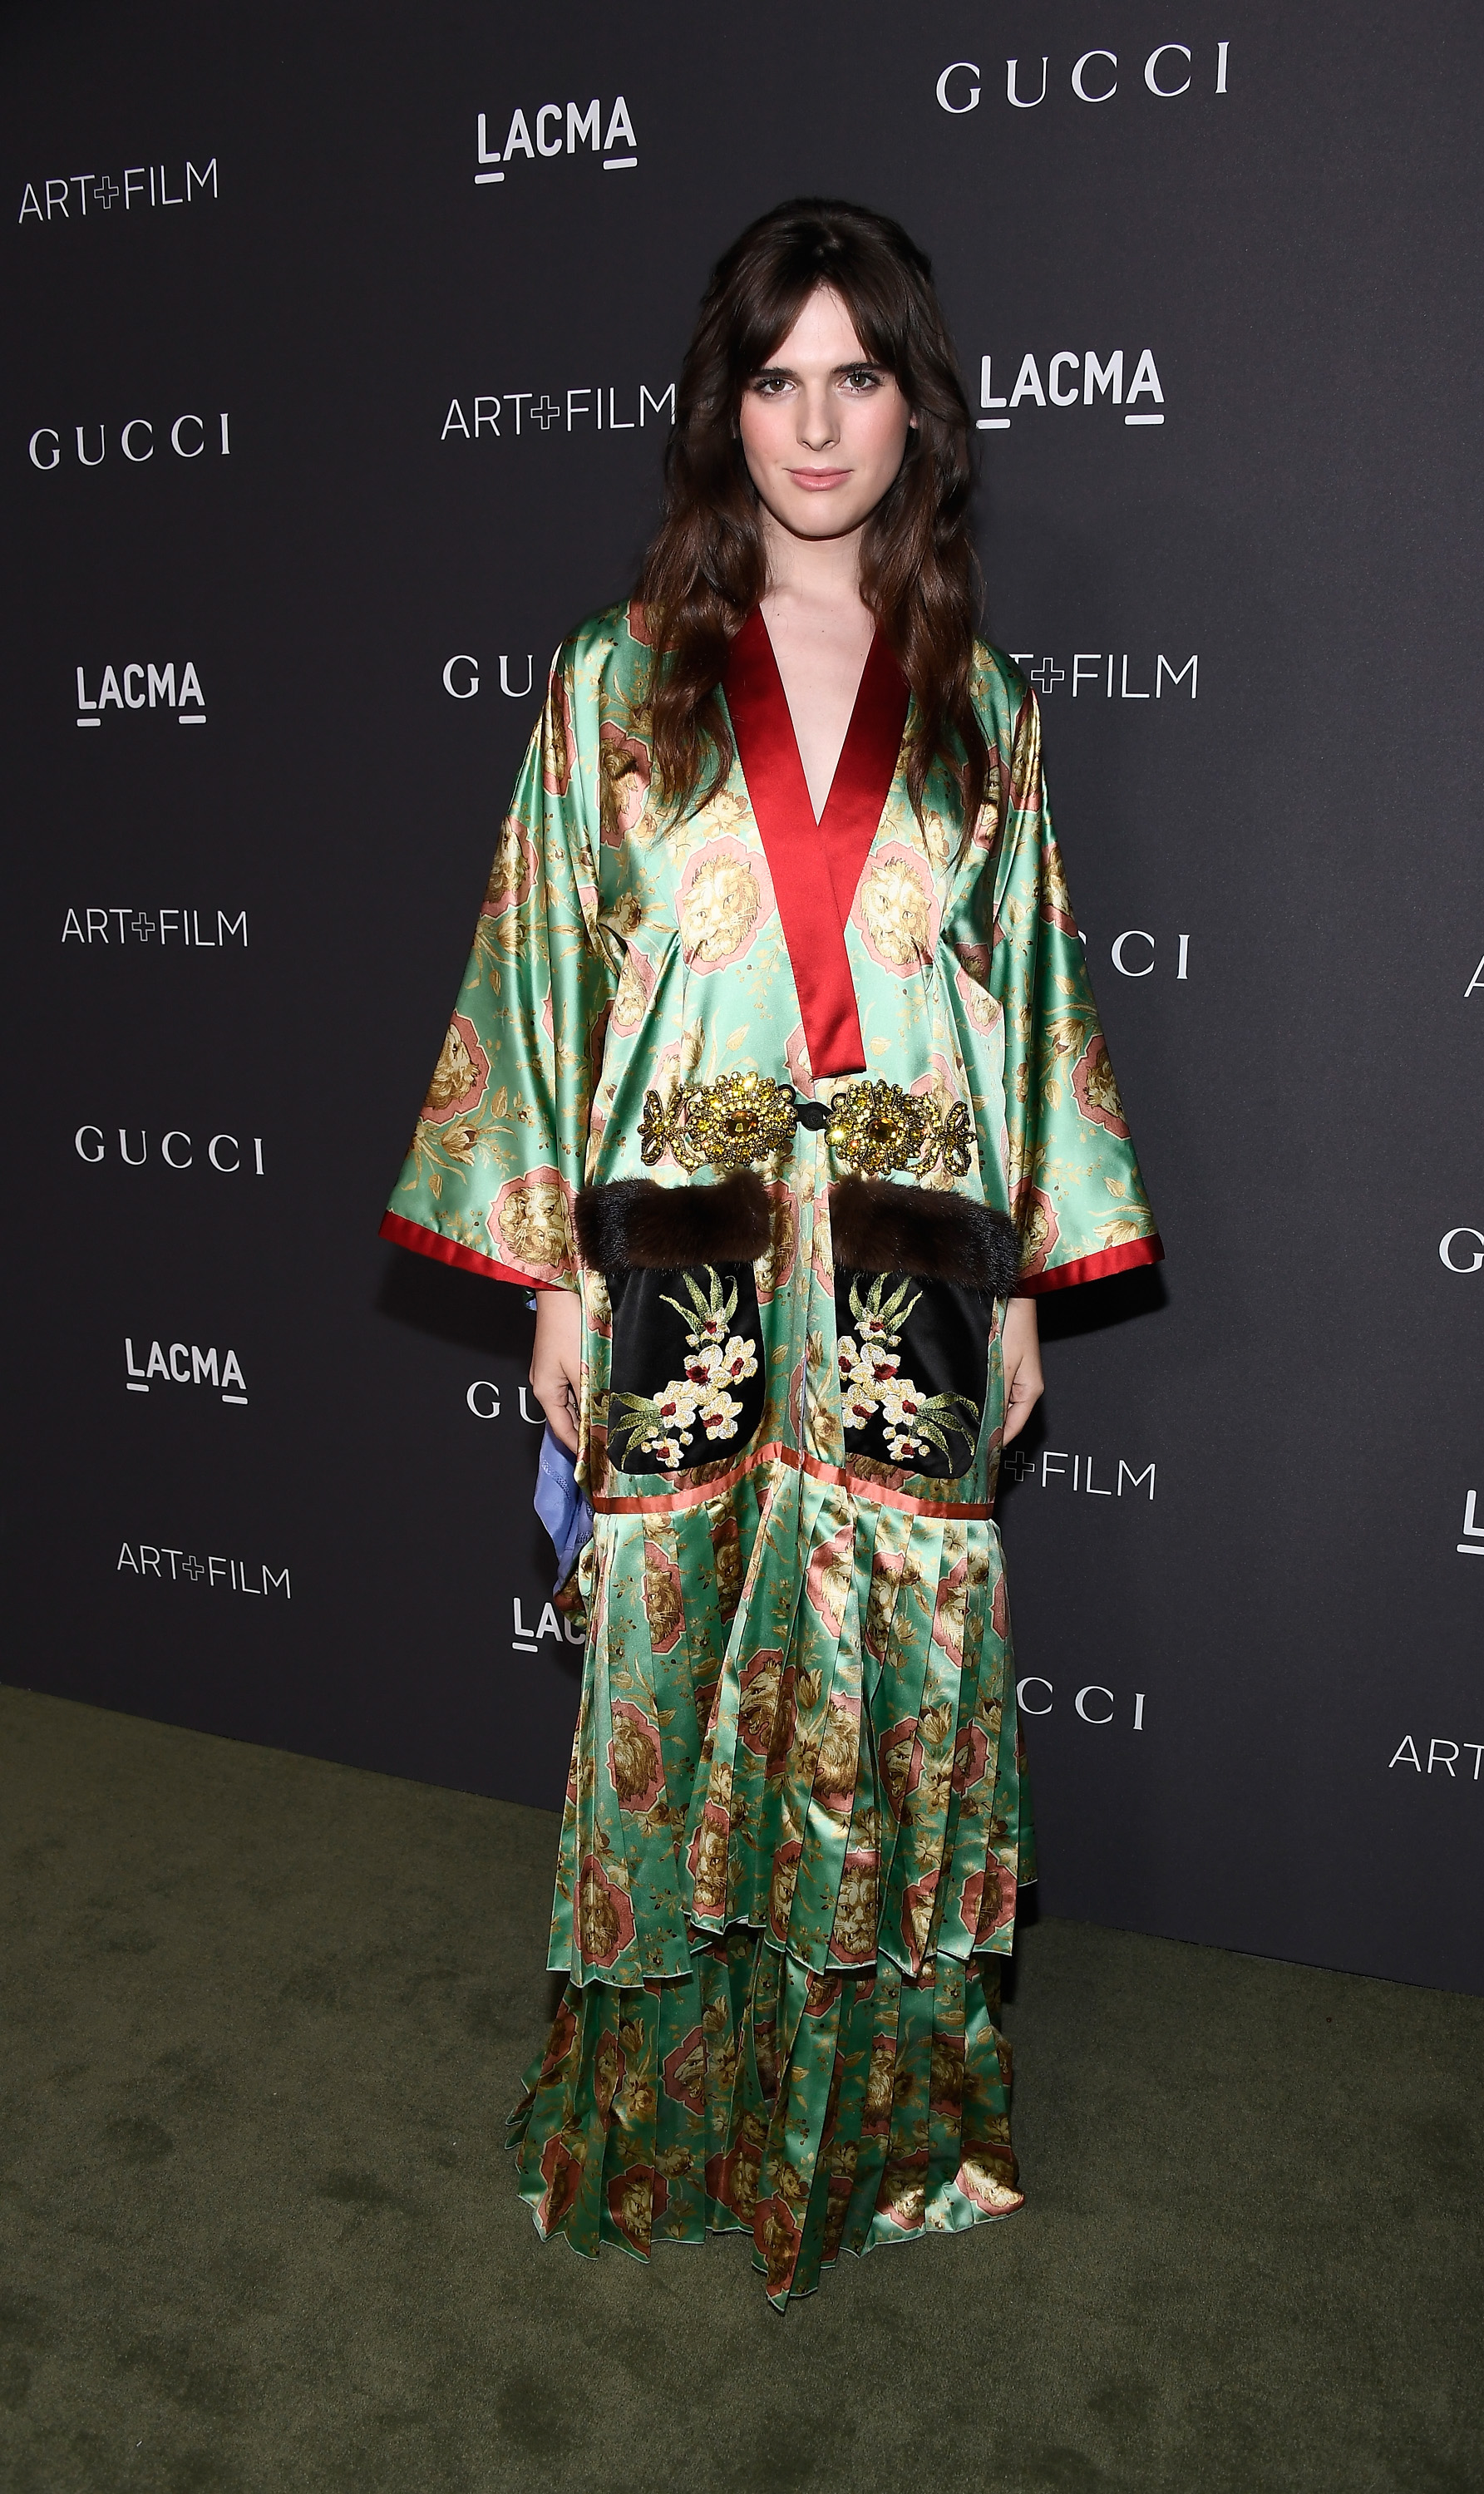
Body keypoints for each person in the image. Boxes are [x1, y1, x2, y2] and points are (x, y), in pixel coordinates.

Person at [380, 198, 1161, 2305]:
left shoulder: (983, 704)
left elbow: (1026, 1011)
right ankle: (659, 2128)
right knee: (676, 1673)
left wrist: (1013, 1290)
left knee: (895, 1682)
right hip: (683, 1263)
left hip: (909, 1271)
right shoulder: (614, 682)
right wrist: (546, 1268)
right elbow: (540, 979)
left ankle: (877, 2130)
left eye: (858, 375)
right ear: (725, 407)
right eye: (776, 376)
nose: (817, 423)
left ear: (917, 409)